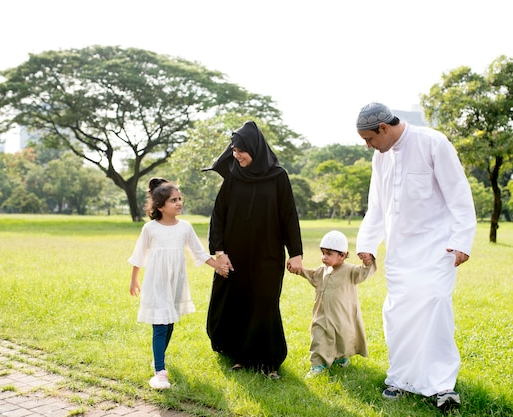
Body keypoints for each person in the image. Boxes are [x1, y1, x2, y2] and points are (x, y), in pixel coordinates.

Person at [354, 102, 476, 410]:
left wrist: (462, 240)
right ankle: (400, 379)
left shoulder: (433, 142)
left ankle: (442, 385)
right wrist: (368, 242)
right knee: (399, 314)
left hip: (438, 247)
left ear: (384, 128)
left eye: (370, 139)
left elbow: (459, 194)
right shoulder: (380, 158)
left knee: (435, 306)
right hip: (400, 252)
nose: (369, 146)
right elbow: (377, 204)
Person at [203, 121, 303, 380]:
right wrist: (219, 251)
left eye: (241, 151)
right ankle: (240, 356)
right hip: (236, 254)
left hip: (268, 254)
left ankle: (269, 361)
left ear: (254, 148)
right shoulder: (234, 176)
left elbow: (289, 216)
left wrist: (296, 252)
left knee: (265, 302)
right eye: (234, 151)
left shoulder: (278, 176)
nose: (237, 155)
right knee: (239, 302)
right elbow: (219, 215)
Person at [128, 177, 228, 390]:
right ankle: (160, 372)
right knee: (160, 324)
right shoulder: (150, 229)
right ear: (160, 206)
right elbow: (139, 255)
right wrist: (134, 279)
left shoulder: (185, 227)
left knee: (170, 321)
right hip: (156, 282)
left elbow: (199, 252)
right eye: (174, 200)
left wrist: (217, 266)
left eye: (180, 198)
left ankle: (158, 358)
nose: (179, 203)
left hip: (175, 283)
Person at [289, 230, 376, 378]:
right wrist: (299, 270)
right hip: (321, 315)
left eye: (329, 254)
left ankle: (341, 358)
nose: (324, 257)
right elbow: (311, 275)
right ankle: (318, 365)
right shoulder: (323, 270)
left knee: (342, 339)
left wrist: (368, 261)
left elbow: (365, 271)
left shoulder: (351, 271)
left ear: (342, 255)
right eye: (323, 253)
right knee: (318, 338)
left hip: (341, 316)